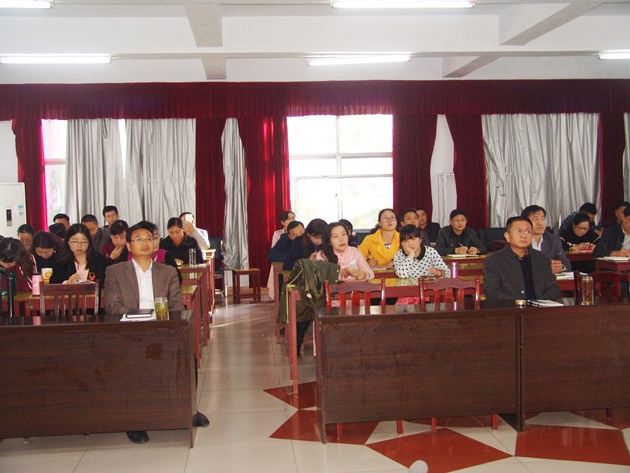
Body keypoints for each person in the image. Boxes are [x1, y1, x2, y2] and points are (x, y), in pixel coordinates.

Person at [104, 221, 209, 444]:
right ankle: (135, 420)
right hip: (130, 333)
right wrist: (140, 319)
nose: (145, 243)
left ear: (155, 244)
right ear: (128, 246)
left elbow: (176, 305)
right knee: (133, 362)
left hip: (162, 331)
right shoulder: (115, 272)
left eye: (149, 239)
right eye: (138, 239)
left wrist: (164, 326)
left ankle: (189, 409)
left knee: (188, 358)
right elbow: (112, 307)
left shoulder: (167, 272)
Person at [484, 216, 561, 301]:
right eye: (518, 231)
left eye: (528, 232)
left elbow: (553, 288)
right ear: (507, 236)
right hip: (509, 307)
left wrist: (539, 303)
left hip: (540, 306)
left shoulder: (543, 258)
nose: (524, 235)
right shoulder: (494, 260)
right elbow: (492, 292)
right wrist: (518, 303)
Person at [521, 205, 570, 274]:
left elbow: (566, 263)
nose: (540, 223)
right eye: (535, 219)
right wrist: (544, 268)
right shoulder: (520, 240)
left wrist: (560, 267)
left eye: (542, 219)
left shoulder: (553, 239)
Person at [267, 210, 296, 299]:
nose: (292, 221)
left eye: (293, 218)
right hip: (281, 261)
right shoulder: (278, 234)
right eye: (289, 219)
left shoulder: (298, 233)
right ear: (282, 222)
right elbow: (274, 251)